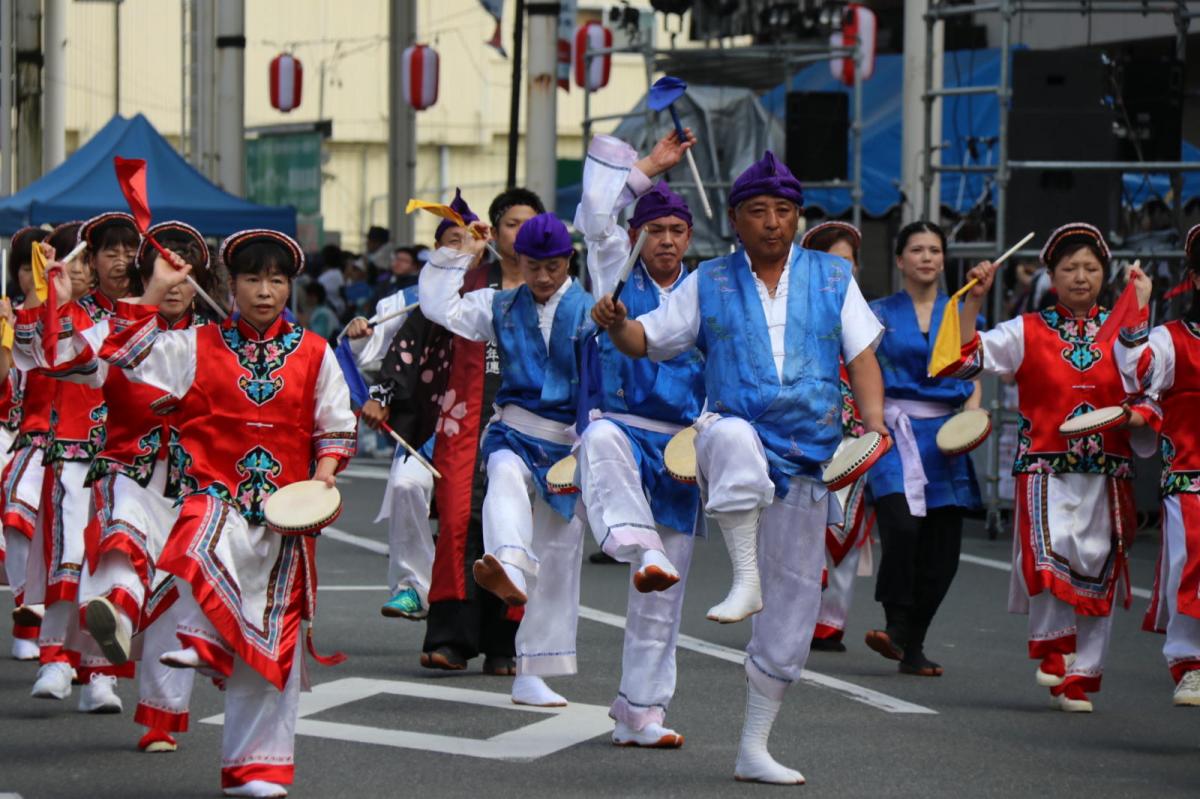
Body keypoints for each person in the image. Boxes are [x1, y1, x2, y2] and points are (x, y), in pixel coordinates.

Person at [593, 151, 885, 784]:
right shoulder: (709, 281)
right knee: (725, 434)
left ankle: (754, 747)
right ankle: (743, 575)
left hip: (811, 458)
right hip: (737, 439)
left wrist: (875, 425)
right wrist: (617, 327)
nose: (772, 223)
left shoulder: (833, 276)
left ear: (797, 216)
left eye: (783, 211)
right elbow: (648, 340)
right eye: (758, 212)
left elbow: (862, 355)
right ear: (735, 219)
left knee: (793, 616)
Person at [99, 228, 357, 797]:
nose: (265, 291)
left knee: (272, 639)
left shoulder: (317, 351)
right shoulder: (197, 344)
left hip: (286, 514)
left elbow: (335, 424)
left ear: (291, 285)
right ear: (230, 284)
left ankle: (256, 769)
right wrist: (151, 293)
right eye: (251, 278)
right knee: (198, 534)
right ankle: (204, 637)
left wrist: (323, 479)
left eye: (277, 279)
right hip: (215, 492)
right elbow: (125, 353)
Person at [18, 222, 220, 752]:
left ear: (201, 277)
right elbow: (56, 359)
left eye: (185, 270)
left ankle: (159, 718)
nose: (174, 281)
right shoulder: (115, 326)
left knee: (175, 598)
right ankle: (99, 632)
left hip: (197, 485)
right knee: (118, 546)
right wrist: (52, 302)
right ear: (145, 274)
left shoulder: (225, 339)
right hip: (126, 468)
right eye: (161, 268)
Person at [947, 223, 1136, 713]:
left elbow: (1151, 386)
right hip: (1045, 469)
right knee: (1049, 556)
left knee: (1097, 567)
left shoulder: (1126, 335)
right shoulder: (1027, 330)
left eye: (1091, 268)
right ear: (1050, 275)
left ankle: (1081, 677)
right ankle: (1055, 650)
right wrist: (975, 301)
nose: (1080, 277)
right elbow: (966, 359)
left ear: (1105, 275)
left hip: (1105, 470)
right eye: (1069, 268)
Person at [420, 211, 589, 708]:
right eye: (533, 266)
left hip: (569, 440)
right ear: (519, 259)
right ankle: (509, 566)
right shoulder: (497, 304)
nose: (542, 277)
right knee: (503, 476)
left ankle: (532, 672)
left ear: (568, 262)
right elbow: (437, 307)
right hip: (514, 428)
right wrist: (459, 254)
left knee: (559, 554)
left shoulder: (589, 310)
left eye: (553, 267)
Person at [574, 130, 703, 747]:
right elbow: (594, 216)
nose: (669, 241)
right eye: (657, 230)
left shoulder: (707, 290)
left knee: (664, 599)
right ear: (638, 236)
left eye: (678, 230)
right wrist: (650, 166)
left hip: (681, 446)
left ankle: (640, 711)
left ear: (690, 238)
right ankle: (633, 542)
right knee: (598, 439)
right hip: (623, 428)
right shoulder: (614, 270)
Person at [20, 213, 140, 712]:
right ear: (88, 262)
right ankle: (55, 659)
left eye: (126, 250)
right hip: (72, 450)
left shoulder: (148, 310)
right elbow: (39, 358)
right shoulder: (73, 310)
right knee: (70, 552)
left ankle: (101, 677)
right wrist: (55, 302)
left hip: (133, 458)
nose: (119, 261)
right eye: (107, 252)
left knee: (114, 565)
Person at [346, 188, 477, 621]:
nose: (458, 250)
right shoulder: (404, 301)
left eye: (467, 241)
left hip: (486, 425)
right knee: (407, 486)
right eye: (449, 241)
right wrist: (358, 334)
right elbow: (367, 356)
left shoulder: (495, 298)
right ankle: (412, 587)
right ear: (435, 251)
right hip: (424, 426)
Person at [862, 221, 982, 676]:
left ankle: (912, 644)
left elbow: (972, 374)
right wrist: (872, 425)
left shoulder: (962, 314)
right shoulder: (876, 314)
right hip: (895, 431)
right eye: (917, 249)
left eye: (935, 249)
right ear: (900, 260)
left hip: (947, 436)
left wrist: (974, 419)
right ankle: (894, 624)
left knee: (943, 552)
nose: (927, 257)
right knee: (902, 528)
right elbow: (861, 368)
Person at [1115, 224, 1200, 705]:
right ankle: (1190, 663)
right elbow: (1138, 371)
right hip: (1192, 475)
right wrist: (1140, 306)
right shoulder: (1172, 339)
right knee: (1191, 559)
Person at [799, 221, 878, 655]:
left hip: (851, 431)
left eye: (848, 261)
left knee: (845, 525)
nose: (841, 269)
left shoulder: (866, 313)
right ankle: (797, 611)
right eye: (831, 261)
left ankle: (831, 619)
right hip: (802, 429)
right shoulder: (791, 308)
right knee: (798, 521)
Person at [1, 226, 50, 660]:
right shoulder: (5, 314)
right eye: (24, 266)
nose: (32, 275)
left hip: (79, 439)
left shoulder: (79, 315)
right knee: (17, 507)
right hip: (17, 435)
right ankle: (26, 610)